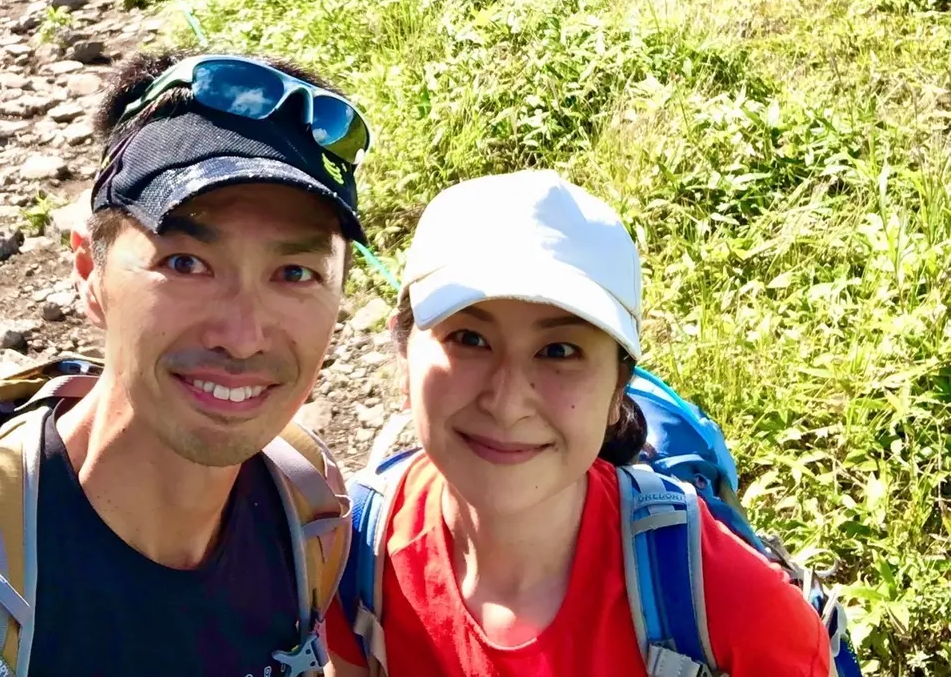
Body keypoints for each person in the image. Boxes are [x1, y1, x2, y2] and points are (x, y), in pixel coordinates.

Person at [0, 49, 372, 677]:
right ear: (90, 272)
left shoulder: (310, 511)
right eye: (186, 263)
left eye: (295, 273)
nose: (243, 338)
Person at [325, 170, 834, 677]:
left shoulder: (734, 609)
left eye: (559, 351)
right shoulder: (349, 557)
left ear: (618, 388)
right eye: (469, 339)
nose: (506, 403)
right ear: (402, 350)